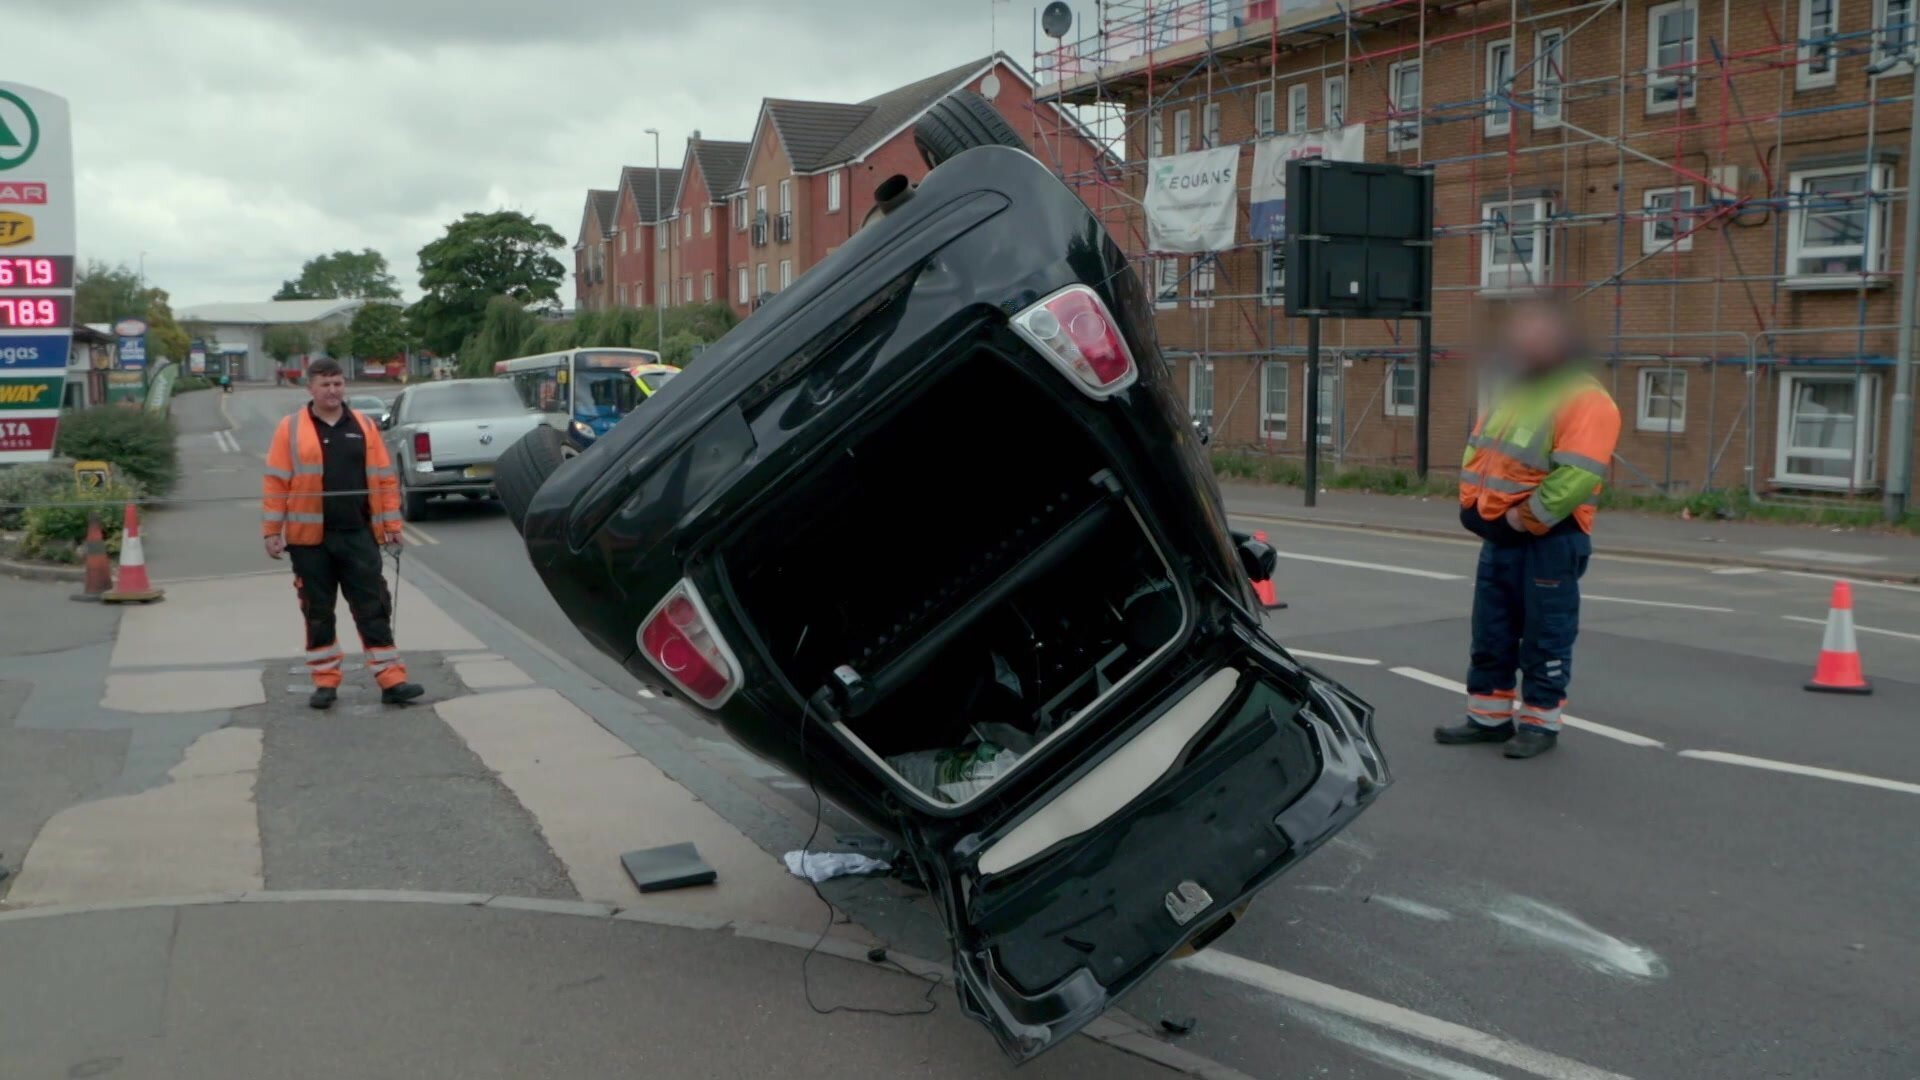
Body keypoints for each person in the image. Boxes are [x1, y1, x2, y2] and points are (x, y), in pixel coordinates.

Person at [1434, 302, 1620, 759]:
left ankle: (1540, 723)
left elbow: (1577, 475)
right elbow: (1479, 452)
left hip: (1549, 538)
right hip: (1503, 535)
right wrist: (1474, 508)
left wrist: (1524, 518)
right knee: (1491, 630)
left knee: (1545, 633)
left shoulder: (1586, 398)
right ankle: (1488, 718)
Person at [262, 357, 425, 710]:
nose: (333, 390)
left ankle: (392, 680)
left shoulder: (364, 426)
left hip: (357, 535)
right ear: (311, 389)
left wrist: (392, 527)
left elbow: (384, 479)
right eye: (325, 384)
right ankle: (325, 682)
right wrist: (271, 531)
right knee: (318, 612)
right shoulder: (289, 429)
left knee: (373, 607)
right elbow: (276, 482)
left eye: (337, 383)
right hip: (310, 541)